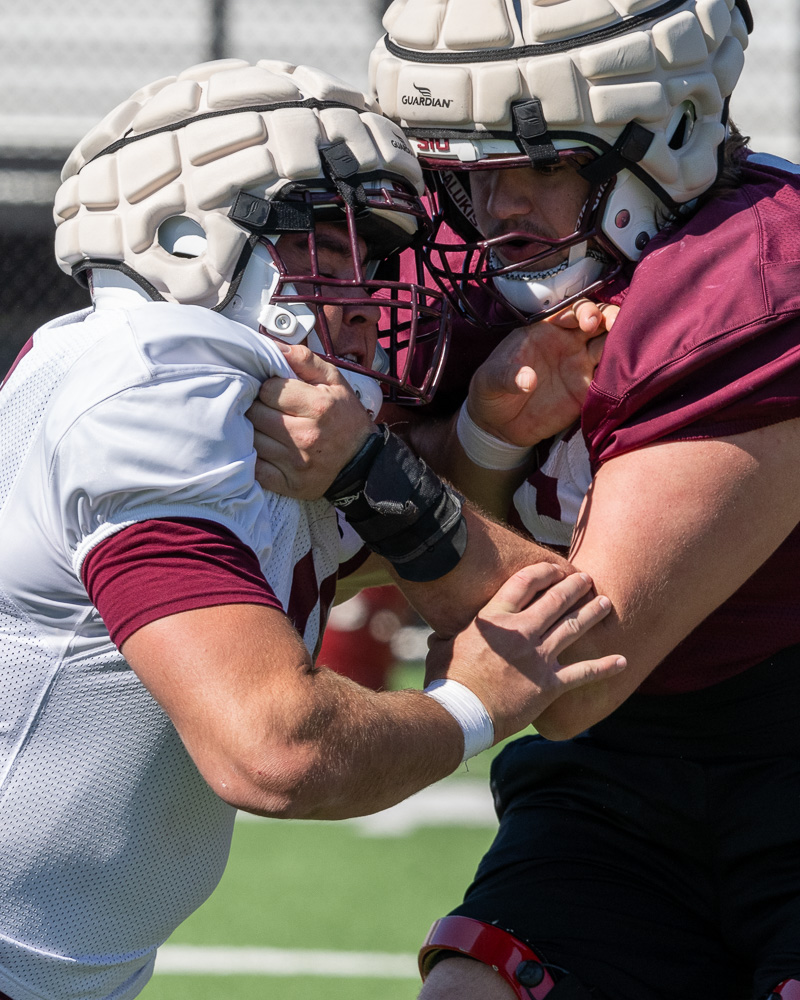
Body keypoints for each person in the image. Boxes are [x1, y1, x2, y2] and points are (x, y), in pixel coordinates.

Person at [0, 58, 628, 1000]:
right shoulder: (161, 377)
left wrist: (487, 426)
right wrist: (473, 706)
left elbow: (408, 541)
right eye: (331, 252)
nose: (371, 294)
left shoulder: (231, 396)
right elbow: (276, 751)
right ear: (187, 238)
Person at [247, 2, 800, 997]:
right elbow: (421, 586)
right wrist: (481, 439)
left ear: (664, 132)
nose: (492, 209)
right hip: (617, 772)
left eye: (537, 164)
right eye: (466, 169)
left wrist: (370, 471)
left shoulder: (751, 281)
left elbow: (578, 665)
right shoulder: (482, 272)